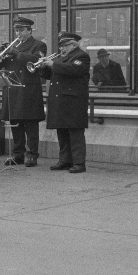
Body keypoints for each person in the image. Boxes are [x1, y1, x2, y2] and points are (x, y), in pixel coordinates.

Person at [0, 16, 48, 167]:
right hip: (13, 89)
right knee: (15, 124)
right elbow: (5, 66)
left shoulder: (39, 45)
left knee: (31, 125)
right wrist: (2, 57)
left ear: (29, 30)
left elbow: (35, 61)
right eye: (16, 30)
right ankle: (17, 154)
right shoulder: (15, 46)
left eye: (21, 30)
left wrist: (15, 52)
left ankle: (32, 155)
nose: (18, 33)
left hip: (29, 90)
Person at [41, 31, 90, 173]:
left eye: (65, 46)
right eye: (61, 46)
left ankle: (79, 163)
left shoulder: (81, 56)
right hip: (61, 101)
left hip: (74, 102)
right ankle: (65, 160)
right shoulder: (61, 59)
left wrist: (52, 64)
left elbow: (73, 70)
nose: (62, 49)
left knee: (75, 134)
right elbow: (49, 75)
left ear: (73, 45)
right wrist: (44, 66)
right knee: (62, 132)